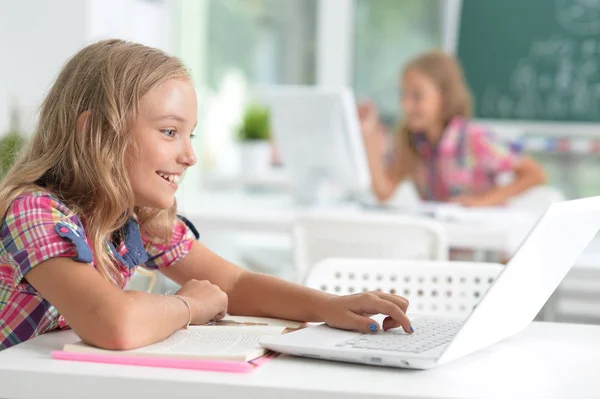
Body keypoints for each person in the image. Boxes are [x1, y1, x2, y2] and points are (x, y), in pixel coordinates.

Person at [0, 40, 412, 351]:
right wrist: (187, 306)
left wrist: (328, 306)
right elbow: (113, 323)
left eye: (189, 134)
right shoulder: (33, 212)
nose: (189, 155)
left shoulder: (136, 218)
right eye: (169, 132)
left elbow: (235, 282)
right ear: (94, 131)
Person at [359, 50, 546, 207]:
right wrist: (368, 134)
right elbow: (383, 192)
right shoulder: (414, 144)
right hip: (442, 243)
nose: (406, 105)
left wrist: (484, 200)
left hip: (479, 244)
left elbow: (534, 174)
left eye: (417, 96)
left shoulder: (474, 139)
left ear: (445, 97)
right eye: (403, 95)